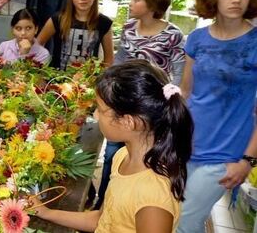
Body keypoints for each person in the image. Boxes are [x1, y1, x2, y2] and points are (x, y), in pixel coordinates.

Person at [32, 59, 193, 233]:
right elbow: (103, 220)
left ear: (128, 121)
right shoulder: (123, 156)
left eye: (100, 109)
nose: (96, 115)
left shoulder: (152, 197)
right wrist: (46, 212)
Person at [176, 0, 257, 233]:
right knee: (181, 215)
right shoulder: (197, 39)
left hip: (226, 153)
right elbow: (186, 93)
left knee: (184, 221)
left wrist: (247, 160)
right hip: (189, 144)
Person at [94, 0, 185, 210]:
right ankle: (105, 201)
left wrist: (163, 98)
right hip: (123, 102)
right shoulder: (129, 27)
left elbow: (179, 73)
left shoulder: (172, 34)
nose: (131, 3)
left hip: (149, 104)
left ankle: (134, 203)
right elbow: (121, 59)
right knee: (113, 154)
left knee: (145, 153)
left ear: (152, 4)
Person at [36, 0, 114, 70]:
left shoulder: (104, 23)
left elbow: (109, 59)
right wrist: (40, 71)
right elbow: (38, 44)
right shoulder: (58, 19)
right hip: (57, 80)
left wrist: (100, 78)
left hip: (88, 82)